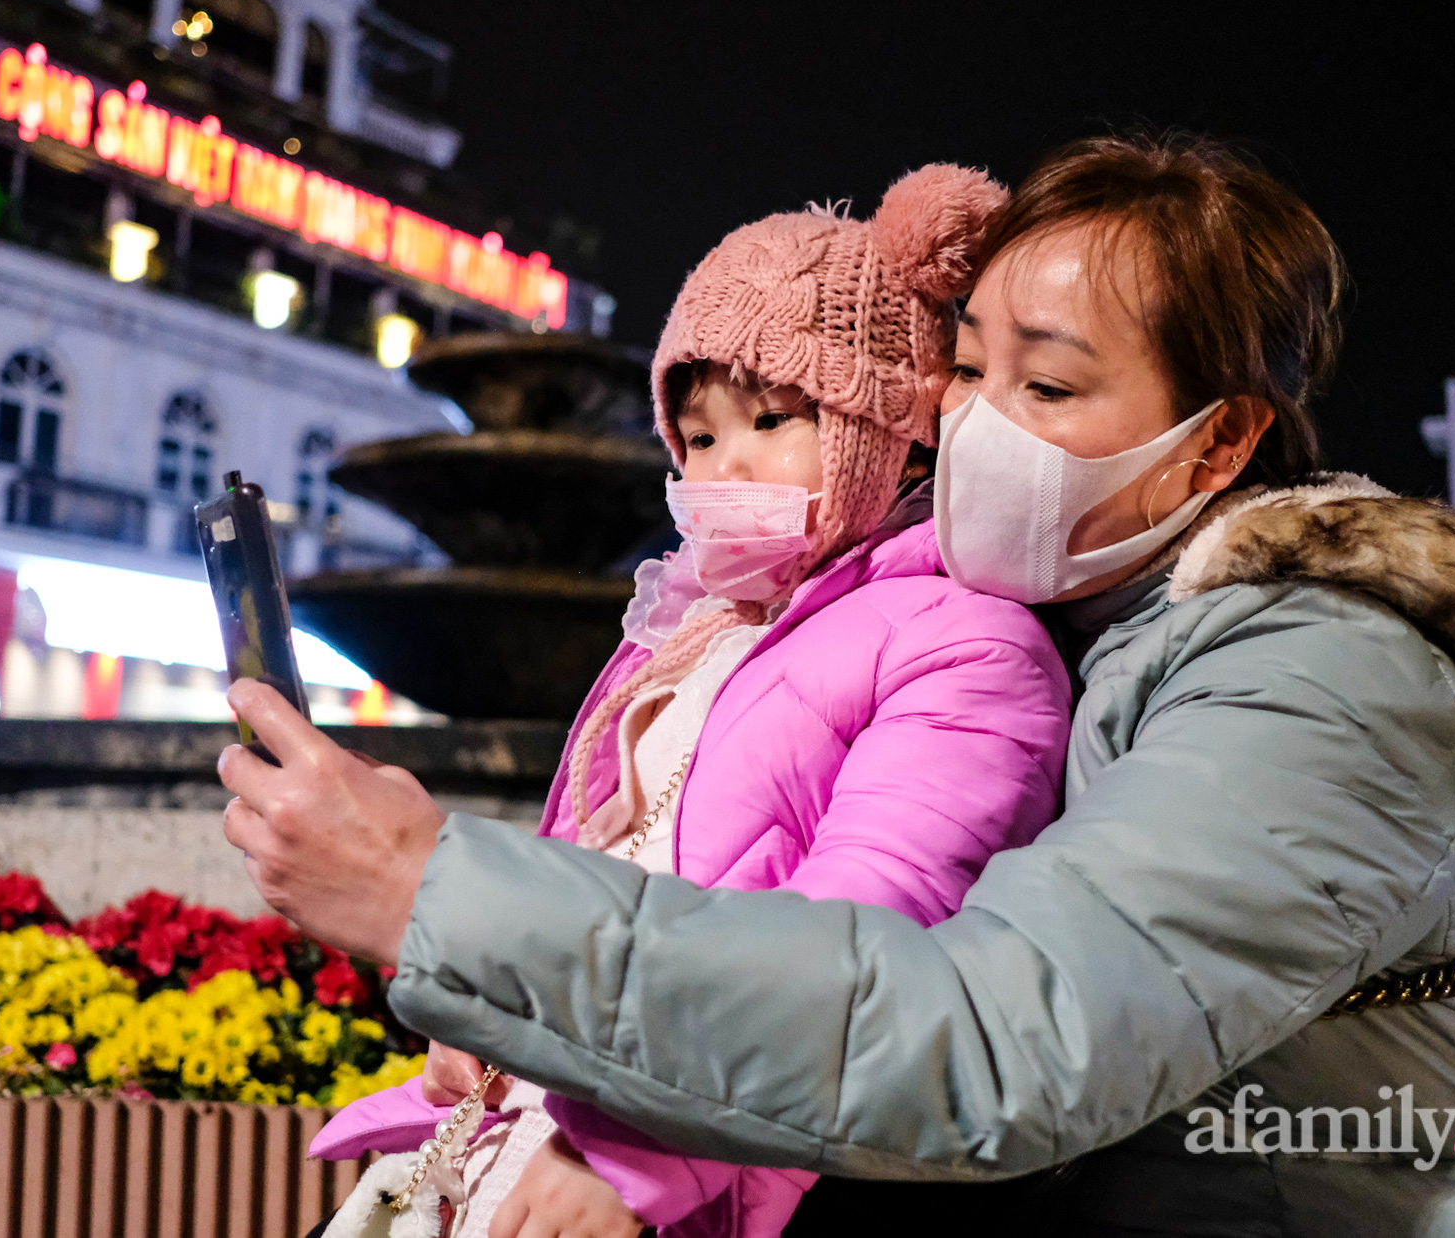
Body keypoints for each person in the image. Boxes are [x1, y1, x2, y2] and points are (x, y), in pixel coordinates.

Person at [224, 135, 1455, 1236]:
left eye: (1047, 387)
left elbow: (996, 1038)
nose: (973, 425)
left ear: (1221, 442)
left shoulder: (1319, 680)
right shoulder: (1065, 617)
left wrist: (443, 899)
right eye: (966, 368)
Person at [296, 166, 1073, 1238]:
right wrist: (488, 1000)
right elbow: (600, 864)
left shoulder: (966, 646)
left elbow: (849, 968)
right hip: (529, 1129)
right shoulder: (693, 633)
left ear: (891, 423)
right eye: (700, 437)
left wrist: (631, 1162)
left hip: (686, 1169)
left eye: (773, 415)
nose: (728, 466)